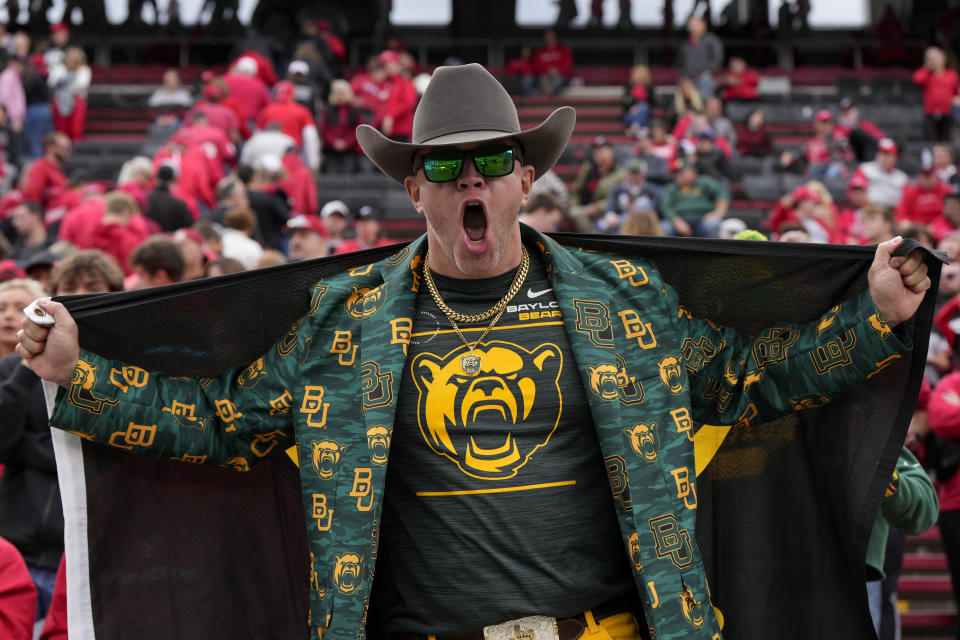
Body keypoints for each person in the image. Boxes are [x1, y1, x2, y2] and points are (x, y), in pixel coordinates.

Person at [16, 63, 930, 640]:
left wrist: (876, 317)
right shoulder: (346, 322)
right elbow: (223, 423)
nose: (472, 182)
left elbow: (750, 382)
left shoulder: (623, 304)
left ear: (528, 176)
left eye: (492, 162)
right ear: (415, 187)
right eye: (447, 168)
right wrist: (77, 378)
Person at [658, 158, 729, 237]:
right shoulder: (672, 187)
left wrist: (718, 212)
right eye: (677, 173)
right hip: (680, 219)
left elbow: (722, 192)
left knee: (714, 224)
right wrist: (675, 220)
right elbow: (665, 205)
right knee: (664, 227)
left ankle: (710, 249)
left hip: (703, 219)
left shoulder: (703, 182)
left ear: (694, 173)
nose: (678, 175)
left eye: (683, 173)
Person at [912, 46, 960, 142]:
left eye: (935, 58)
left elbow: (957, 92)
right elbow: (916, 79)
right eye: (929, 58)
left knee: (947, 139)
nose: (932, 60)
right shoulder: (927, 75)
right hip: (930, 113)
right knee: (931, 140)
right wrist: (927, 67)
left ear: (943, 59)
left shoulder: (952, 75)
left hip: (947, 112)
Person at [47, 46, 89, 141]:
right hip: (60, 100)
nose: (72, 60)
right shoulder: (59, 68)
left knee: (75, 129)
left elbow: (82, 85)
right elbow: (51, 82)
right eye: (70, 57)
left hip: (77, 101)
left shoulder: (84, 69)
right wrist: (67, 80)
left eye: (75, 57)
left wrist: (62, 82)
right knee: (61, 129)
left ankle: (77, 152)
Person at [854, 138, 909, 210]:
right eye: (880, 153)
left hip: (893, 212)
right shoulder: (865, 169)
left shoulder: (902, 177)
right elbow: (856, 192)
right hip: (870, 209)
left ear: (895, 157)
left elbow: (908, 200)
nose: (883, 156)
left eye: (887, 154)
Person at [679, 16, 723, 100]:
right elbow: (680, 63)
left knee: (705, 85)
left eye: (695, 24)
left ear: (703, 26)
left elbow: (717, 58)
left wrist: (709, 72)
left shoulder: (711, 40)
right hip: (688, 78)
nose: (692, 26)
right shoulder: (685, 43)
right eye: (690, 24)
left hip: (705, 77)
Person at [20, 131, 69, 209]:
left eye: (68, 147)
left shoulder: (57, 168)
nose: (67, 151)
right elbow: (31, 195)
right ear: (50, 148)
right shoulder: (41, 167)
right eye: (63, 147)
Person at [146, 165, 193, 233]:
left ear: (156, 178)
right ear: (173, 180)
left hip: (147, 240)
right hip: (170, 241)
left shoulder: (145, 198)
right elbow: (188, 227)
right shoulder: (178, 204)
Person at [530, 29, 573, 96]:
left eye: (551, 38)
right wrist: (547, 70)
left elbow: (568, 65)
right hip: (544, 76)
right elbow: (536, 66)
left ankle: (546, 95)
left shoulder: (563, 50)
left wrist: (558, 70)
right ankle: (547, 95)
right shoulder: (540, 52)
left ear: (555, 38)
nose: (549, 40)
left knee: (557, 81)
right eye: (547, 38)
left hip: (560, 75)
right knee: (542, 79)